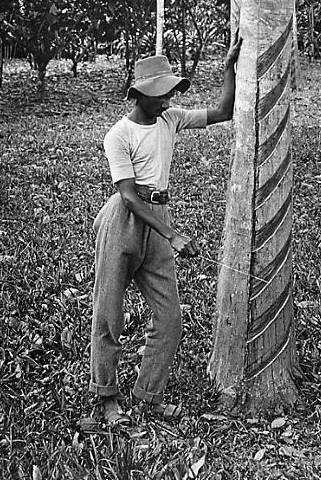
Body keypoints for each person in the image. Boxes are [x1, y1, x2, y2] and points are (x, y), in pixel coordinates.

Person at [89, 43, 240, 427]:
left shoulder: (170, 119)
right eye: (160, 94)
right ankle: (106, 397)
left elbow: (223, 112)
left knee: (170, 317)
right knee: (108, 313)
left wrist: (228, 67)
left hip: (157, 215)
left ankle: (147, 396)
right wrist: (173, 235)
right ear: (138, 94)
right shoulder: (118, 135)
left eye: (170, 92)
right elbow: (126, 193)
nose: (168, 100)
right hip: (123, 219)